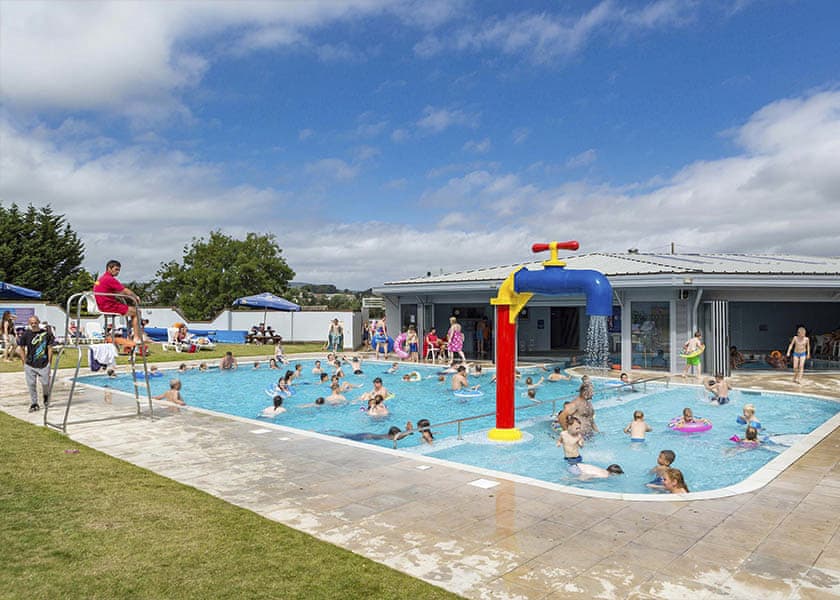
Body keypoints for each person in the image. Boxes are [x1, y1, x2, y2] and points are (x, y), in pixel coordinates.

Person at [93, 260, 144, 343]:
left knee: (132, 311)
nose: (118, 272)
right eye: (116, 269)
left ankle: (132, 333)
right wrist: (136, 297)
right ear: (109, 268)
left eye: (119, 270)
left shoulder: (101, 279)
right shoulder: (109, 279)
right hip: (109, 306)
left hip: (102, 305)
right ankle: (136, 337)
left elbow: (117, 293)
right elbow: (125, 291)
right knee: (137, 312)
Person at [18, 316, 54, 412]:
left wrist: (49, 363)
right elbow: (21, 348)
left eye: (35, 322)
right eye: (31, 323)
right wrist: (24, 361)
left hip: (43, 363)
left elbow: (50, 348)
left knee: (46, 383)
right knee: (31, 384)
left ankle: (46, 396)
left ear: (38, 322)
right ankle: (34, 403)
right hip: (30, 364)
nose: (33, 324)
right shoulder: (26, 334)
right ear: (29, 324)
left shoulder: (46, 334)